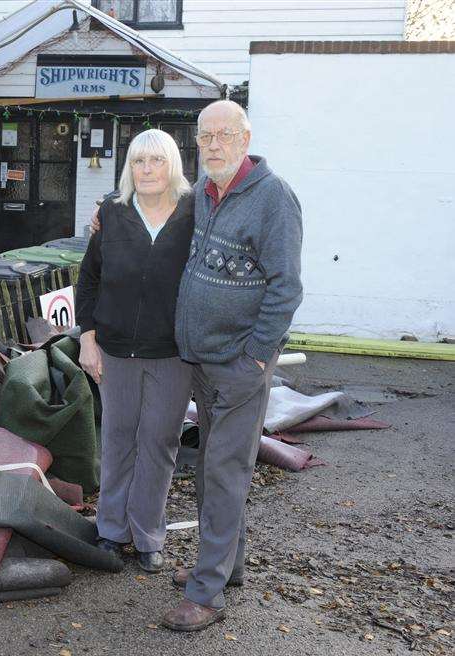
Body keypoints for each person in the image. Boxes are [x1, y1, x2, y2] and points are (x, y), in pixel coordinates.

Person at [90, 100, 304, 632]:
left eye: (224, 136)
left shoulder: (273, 198)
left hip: (239, 364)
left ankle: (205, 594)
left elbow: (286, 287)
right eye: (205, 136)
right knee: (215, 467)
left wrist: (256, 353)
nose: (212, 145)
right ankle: (226, 567)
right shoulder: (208, 197)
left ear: (245, 137)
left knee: (224, 471)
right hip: (202, 361)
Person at [75, 128, 194, 573]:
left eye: (156, 161)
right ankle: (110, 531)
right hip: (115, 348)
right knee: (118, 438)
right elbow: (88, 280)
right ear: (129, 168)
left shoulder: (194, 212)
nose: (147, 170)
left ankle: (147, 534)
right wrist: (87, 338)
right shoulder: (113, 212)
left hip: (173, 352)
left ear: (173, 166)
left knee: (159, 441)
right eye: (139, 162)